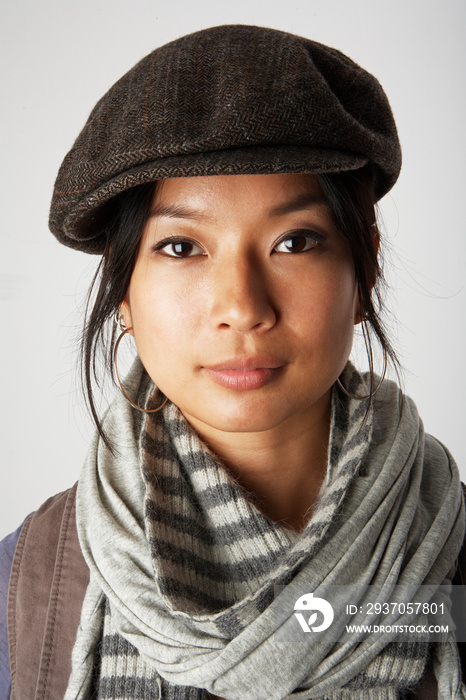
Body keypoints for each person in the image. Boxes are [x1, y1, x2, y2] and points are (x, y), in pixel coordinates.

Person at [1, 24, 464, 700]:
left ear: (365, 272)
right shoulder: (28, 586)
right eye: (182, 248)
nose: (242, 307)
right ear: (122, 292)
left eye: (295, 241)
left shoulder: (451, 565)